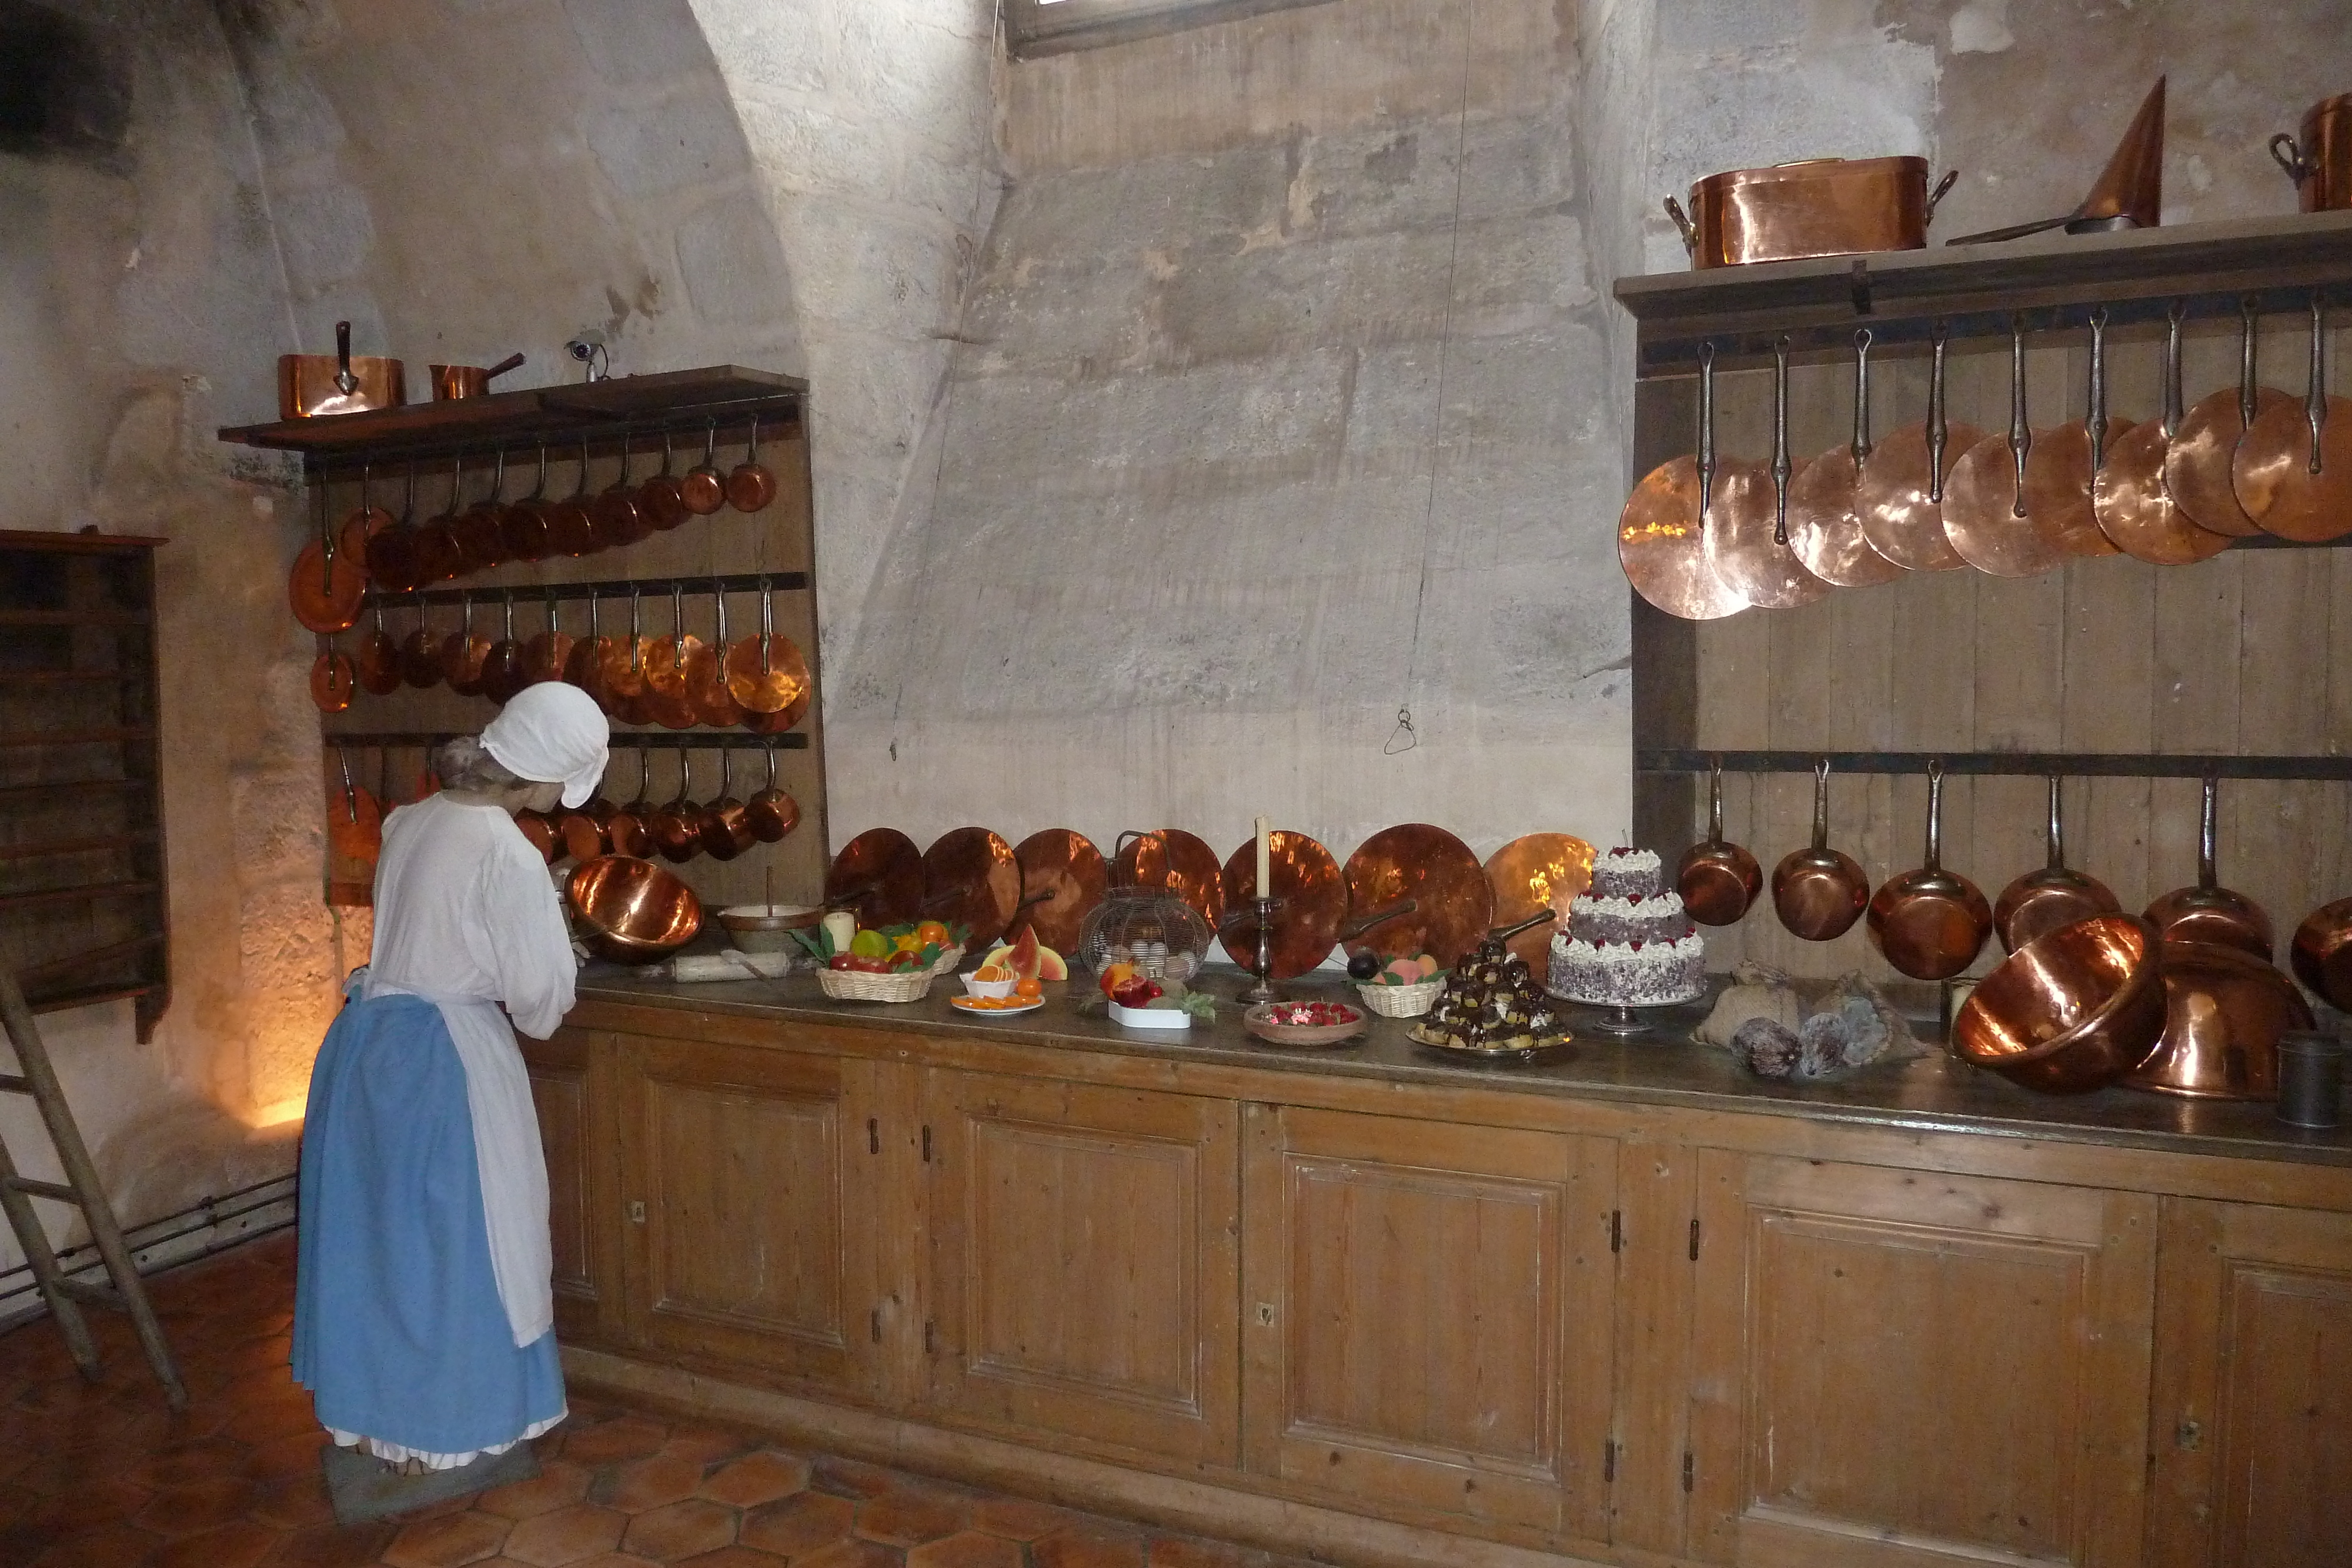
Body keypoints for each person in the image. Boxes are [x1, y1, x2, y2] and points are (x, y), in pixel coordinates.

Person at [293, 682, 609, 1477]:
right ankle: (445, 1422)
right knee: (462, 1238)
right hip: (446, 1064)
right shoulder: (507, 852)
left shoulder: (412, 818)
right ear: (542, 781)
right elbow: (539, 1004)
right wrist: (559, 951)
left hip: (370, 1046)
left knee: (386, 1238)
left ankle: (377, 1416)